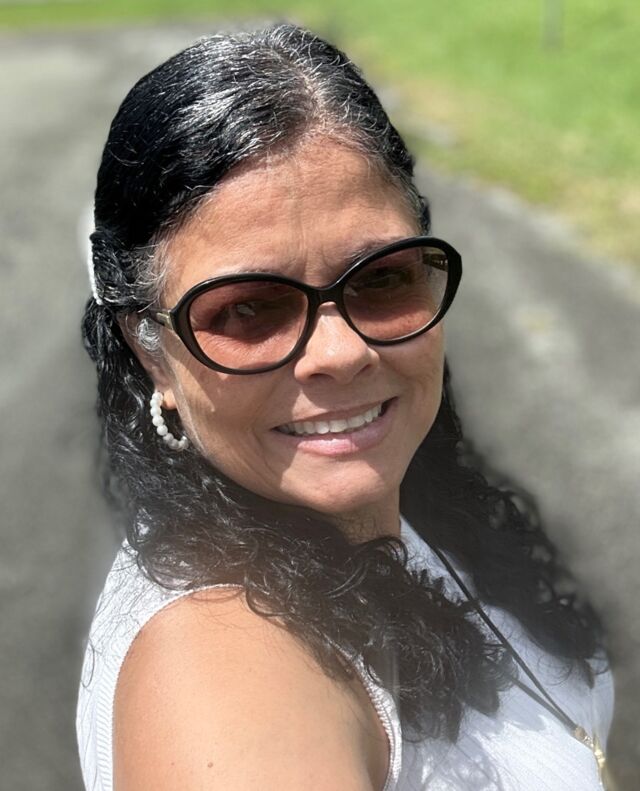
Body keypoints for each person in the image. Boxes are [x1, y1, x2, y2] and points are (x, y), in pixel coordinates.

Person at [76, 23, 614, 791]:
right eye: (248, 309)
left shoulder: (403, 500)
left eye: (381, 278)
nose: (341, 351)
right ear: (150, 351)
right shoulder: (219, 676)